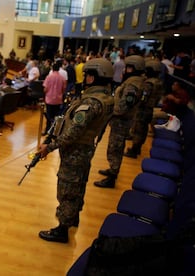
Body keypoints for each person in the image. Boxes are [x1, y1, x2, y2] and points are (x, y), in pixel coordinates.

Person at [37, 58, 115, 243]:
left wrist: (49, 147)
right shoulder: (107, 98)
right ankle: (73, 218)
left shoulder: (92, 102)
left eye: (88, 75)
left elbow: (73, 133)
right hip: (86, 148)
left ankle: (62, 229)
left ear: (95, 77)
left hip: (76, 151)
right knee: (78, 185)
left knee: (67, 189)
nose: (85, 78)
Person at [95, 55, 146, 188]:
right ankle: (112, 169)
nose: (125, 70)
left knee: (115, 147)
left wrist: (112, 111)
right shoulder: (135, 81)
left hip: (121, 121)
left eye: (128, 68)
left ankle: (112, 175)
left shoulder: (133, 84)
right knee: (114, 147)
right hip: (121, 120)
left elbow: (125, 105)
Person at [124, 59, 165, 158]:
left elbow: (143, 97)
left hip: (143, 109)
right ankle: (137, 147)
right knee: (142, 129)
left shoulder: (149, 83)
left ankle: (134, 150)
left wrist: (137, 102)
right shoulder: (158, 82)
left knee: (139, 129)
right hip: (149, 109)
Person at [42, 62, 66, 135]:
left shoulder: (49, 77)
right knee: (56, 116)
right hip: (58, 100)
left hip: (49, 100)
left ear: (52, 68)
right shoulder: (62, 78)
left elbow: (45, 89)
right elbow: (63, 89)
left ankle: (47, 129)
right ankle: (55, 131)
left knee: (48, 116)